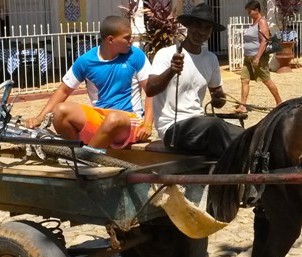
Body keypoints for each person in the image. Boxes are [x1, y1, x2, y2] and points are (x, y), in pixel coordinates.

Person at [24, 16, 153, 151]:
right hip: (101, 118)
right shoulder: (86, 61)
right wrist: (39, 118)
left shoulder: (136, 55)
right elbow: (63, 91)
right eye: (127, 37)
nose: (131, 40)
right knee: (60, 111)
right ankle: (75, 152)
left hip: (128, 121)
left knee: (113, 118)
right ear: (110, 40)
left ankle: (84, 158)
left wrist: (148, 124)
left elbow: (151, 91)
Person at [146, 3, 243, 157]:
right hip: (173, 128)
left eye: (207, 28)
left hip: (200, 124)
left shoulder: (211, 59)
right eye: (198, 25)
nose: (202, 32)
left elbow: (219, 101)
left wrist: (219, 98)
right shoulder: (167, 54)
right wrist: (171, 71)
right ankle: (230, 176)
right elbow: (150, 89)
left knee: (249, 135)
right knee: (216, 126)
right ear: (188, 26)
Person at [237, 0, 282, 114]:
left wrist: (257, 58)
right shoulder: (253, 23)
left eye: (249, 11)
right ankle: (243, 106)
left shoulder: (262, 22)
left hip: (258, 57)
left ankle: (279, 102)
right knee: (244, 80)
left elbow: (264, 41)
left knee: (266, 80)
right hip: (248, 58)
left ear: (256, 10)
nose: (248, 14)